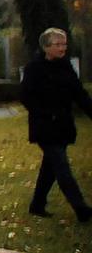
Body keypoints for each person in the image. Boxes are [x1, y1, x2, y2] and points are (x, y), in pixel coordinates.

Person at [19, 27, 92, 222]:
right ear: (45, 47)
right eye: (57, 44)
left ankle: (37, 204)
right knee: (61, 167)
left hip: (63, 125)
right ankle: (81, 208)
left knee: (50, 166)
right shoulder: (34, 69)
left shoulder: (66, 67)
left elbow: (79, 93)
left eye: (64, 44)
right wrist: (45, 113)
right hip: (45, 126)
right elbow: (26, 96)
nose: (62, 48)